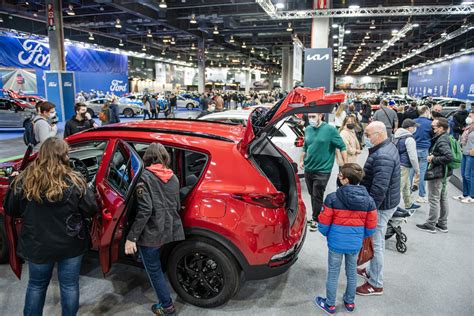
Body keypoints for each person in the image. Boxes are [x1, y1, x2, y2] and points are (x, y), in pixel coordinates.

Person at [3, 137, 99, 316]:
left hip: (37, 244)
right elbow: (90, 209)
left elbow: (11, 210)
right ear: (64, 156)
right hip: (70, 243)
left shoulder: (25, 180)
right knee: (69, 286)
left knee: (36, 285)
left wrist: (12, 184)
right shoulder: (75, 180)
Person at [125, 143, 184, 316]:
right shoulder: (173, 178)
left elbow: (145, 210)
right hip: (170, 231)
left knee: (154, 271)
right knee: (158, 266)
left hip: (151, 234)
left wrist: (132, 237)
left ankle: (167, 307)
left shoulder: (144, 178)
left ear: (147, 157)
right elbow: (177, 205)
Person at [315, 163, 377, 315]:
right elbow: (371, 228)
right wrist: (358, 236)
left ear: (347, 180)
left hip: (336, 243)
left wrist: (330, 234)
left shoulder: (332, 198)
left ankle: (330, 305)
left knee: (333, 273)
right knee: (351, 272)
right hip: (355, 244)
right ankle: (350, 302)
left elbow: (323, 224)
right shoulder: (369, 201)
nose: (338, 177)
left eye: (340, 175)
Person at [356, 121, 400, 296]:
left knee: (376, 242)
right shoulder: (385, 148)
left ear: (379, 134)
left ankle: (376, 283)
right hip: (386, 202)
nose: (365, 138)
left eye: (368, 135)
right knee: (376, 241)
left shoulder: (383, 156)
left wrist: (370, 210)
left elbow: (379, 188)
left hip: (381, 206)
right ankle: (372, 271)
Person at [300, 113, 347, 232]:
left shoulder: (330, 129)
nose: (311, 119)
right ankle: (319, 213)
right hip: (309, 168)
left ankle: (316, 219)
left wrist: (346, 165)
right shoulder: (308, 129)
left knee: (317, 194)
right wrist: (301, 160)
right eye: (309, 117)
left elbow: (342, 146)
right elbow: (305, 146)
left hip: (323, 169)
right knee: (313, 194)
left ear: (320, 116)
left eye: (313, 116)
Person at [416, 117, 453, 233]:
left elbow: (448, 157)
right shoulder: (446, 138)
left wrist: (433, 158)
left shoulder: (441, 140)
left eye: (434, 127)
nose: (432, 129)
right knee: (442, 198)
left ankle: (431, 224)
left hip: (437, 173)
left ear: (441, 128)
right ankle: (442, 224)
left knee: (434, 198)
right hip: (445, 172)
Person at [393, 119, 420, 210]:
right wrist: (417, 169)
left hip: (397, 163)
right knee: (399, 187)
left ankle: (408, 203)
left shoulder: (397, 136)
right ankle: (393, 208)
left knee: (406, 185)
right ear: (409, 128)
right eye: (414, 127)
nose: (415, 129)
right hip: (404, 165)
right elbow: (413, 156)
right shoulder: (409, 139)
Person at [411, 106, 432, 203]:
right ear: (427, 111)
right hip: (424, 149)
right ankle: (421, 195)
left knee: (411, 171)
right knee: (422, 172)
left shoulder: (413, 121)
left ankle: (407, 193)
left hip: (413, 148)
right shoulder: (430, 123)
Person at [453, 112, 474, 203]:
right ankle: (465, 194)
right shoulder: (468, 128)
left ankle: (472, 196)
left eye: (470, 116)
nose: (468, 118)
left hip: (471, 155)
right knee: (464, 175)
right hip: (464, 153)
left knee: (470, 175)